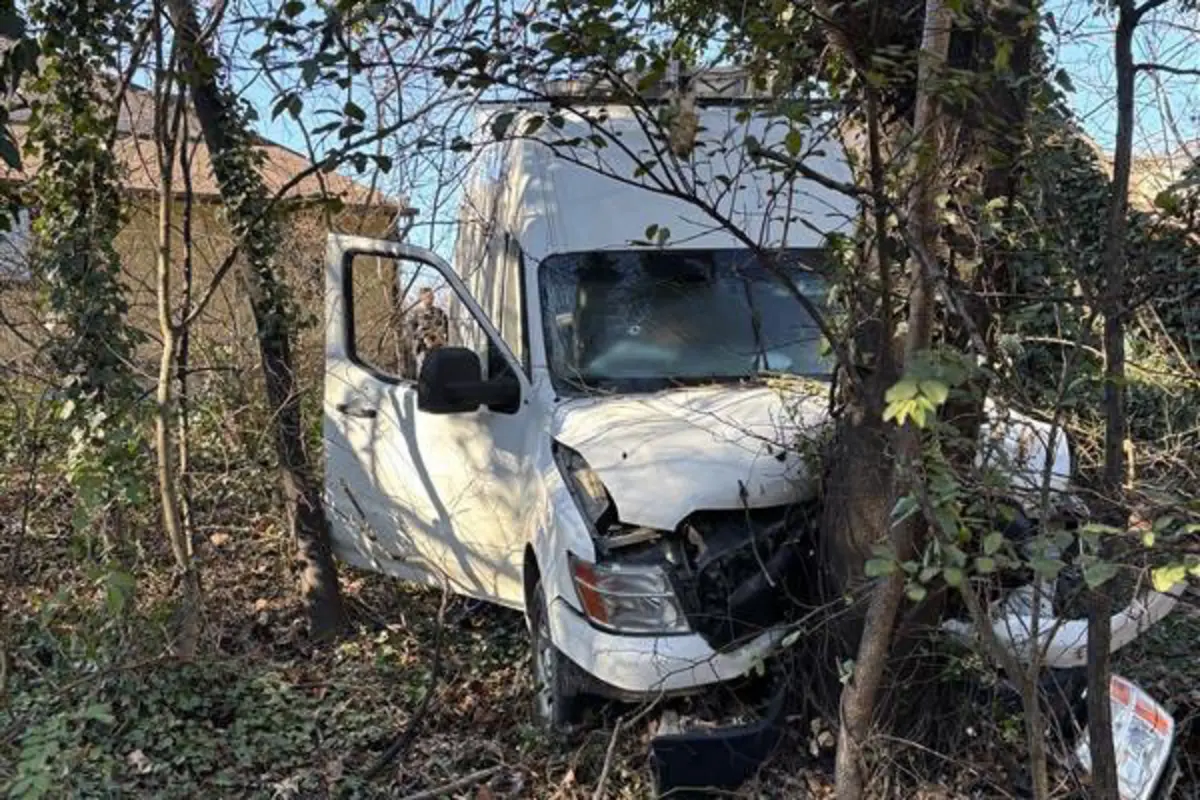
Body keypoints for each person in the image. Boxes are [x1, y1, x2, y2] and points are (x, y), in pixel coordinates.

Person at [408, 286, 448, 373]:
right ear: (422, 297)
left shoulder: (439, 312)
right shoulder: (415, 313)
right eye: (429, 297)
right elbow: (411, 331)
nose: (432, 299)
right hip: (423, 349)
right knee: (423, 372)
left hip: (438, 348)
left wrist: (440, 338)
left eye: (432, 297)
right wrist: (425, 338)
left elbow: (445, 327)